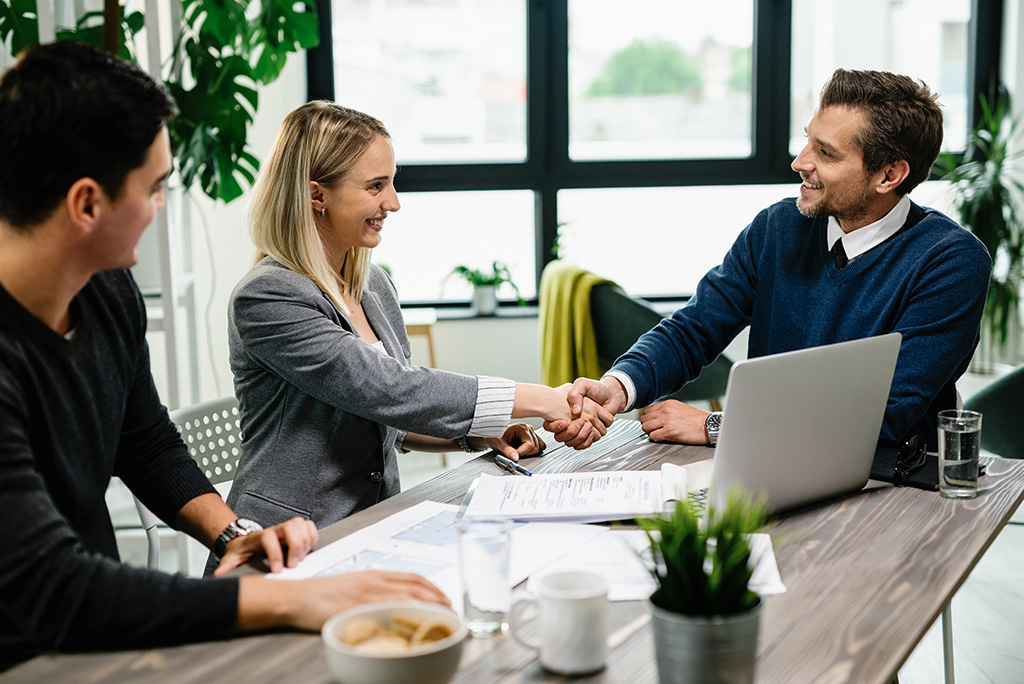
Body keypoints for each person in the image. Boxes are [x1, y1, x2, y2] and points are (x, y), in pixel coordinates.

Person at [0, 42, 448, 670]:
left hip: (83, 629)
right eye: (155, 188)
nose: (161, 208)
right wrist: (287, 600)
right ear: (86, 204)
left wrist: (235, 535)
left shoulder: (104, 289)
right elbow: (54, 587)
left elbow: (146, 443)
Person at [555, 68, 991, 451]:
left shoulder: (951, 262)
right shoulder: (779, 226)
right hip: (768, 461)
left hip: (891, 485)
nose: (799, 161)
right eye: (808, 140)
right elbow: (695, 327)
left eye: (827, 152)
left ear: (889, 175)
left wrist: (716, 426)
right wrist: (618, 385)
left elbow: (884, 416)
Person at [225, 101, 612, 531]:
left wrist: (478, 433)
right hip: (286, 533)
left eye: (392, 183)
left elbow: (391, 416)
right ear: (317, 194)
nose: (393, 202)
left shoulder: (373, 285)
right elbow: (390, 390)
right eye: (375, 186)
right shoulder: (267, 297)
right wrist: (542, 397)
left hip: (373, 520)